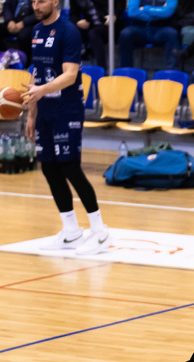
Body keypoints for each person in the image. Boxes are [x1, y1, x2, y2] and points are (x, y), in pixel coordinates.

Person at [24, 0, 112, 253]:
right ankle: (71, 231)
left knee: (70, 167)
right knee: (49, 168)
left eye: (41, 1)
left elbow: (70, 75)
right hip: (44, 109)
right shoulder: (36, 30)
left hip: (67, 108)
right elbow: (36, 74)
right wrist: (32, 114)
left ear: (55, 1)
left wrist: (41, 90)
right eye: (33, 1)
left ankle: (100, 231)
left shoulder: (69, 31)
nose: (36, 5)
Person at [119, 0, 181, 70]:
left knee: (171, 33)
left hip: (161, 28)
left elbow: (167, 12)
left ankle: (172, 71)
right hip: (140, 28)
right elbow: (132, 12)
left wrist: (145, 8)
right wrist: (158, 12)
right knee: (126, 33)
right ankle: (125, 70)